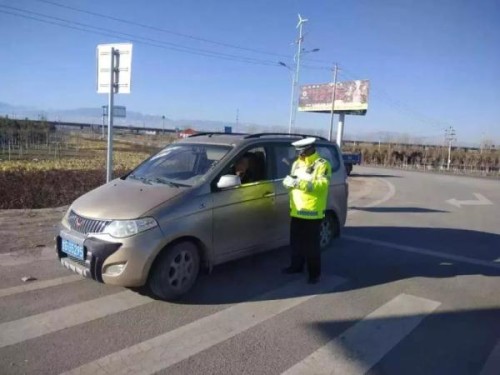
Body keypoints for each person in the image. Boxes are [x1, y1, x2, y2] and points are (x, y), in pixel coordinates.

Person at [282, 137, 332, 284]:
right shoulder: (297, 164)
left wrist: (299, 183)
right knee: (296, 243)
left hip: (312, 212)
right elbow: (293, 180)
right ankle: (296, 266)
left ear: (309, 149)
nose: (299, 155)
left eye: (301, 152)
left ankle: (314, 274)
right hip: (296, 210)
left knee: (311, 247)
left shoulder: (322, 165)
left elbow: (322, 185)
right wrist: (289, 183)